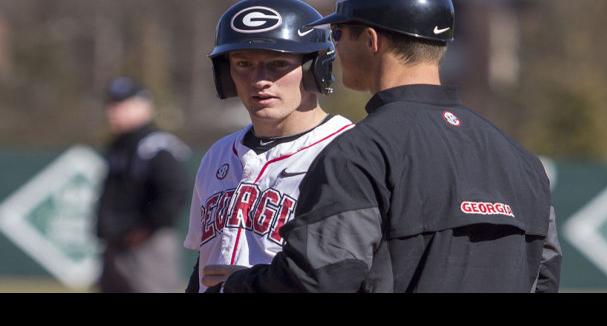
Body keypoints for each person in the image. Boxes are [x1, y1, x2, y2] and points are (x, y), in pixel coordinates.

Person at [203, 0, 562, 293]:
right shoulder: (522, 161)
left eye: (340, 32)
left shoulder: (359, 152)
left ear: (371, 41)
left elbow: (320, 278)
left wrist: (238, 285)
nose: (335, 45)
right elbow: (544, 278)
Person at [183, 0, 353, 293]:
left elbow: (343, 274)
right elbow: (203, 264)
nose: (259, 80)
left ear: (315, 68)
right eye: (243, 64)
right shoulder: (218, 155)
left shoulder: (347, 152)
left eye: (278, 64)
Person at [95, 76, 191, 293]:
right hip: (116, 243)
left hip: (148, 245)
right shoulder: (119, 145)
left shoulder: (156, 144)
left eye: (121, 104)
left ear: (144, 106)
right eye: (111, 104)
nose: (112, 111)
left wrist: (146, 228)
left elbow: (175, 190)